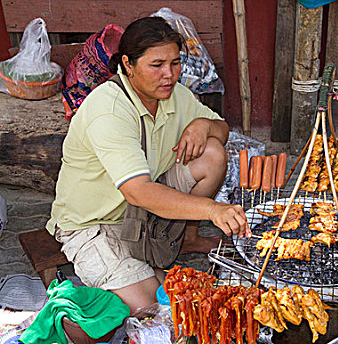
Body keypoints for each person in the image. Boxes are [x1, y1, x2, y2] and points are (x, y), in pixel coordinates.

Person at [45, 17, 250, 313]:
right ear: (128, 64)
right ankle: (140, 270)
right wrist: (212, 209)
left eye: (175, 63)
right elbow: (139, 192)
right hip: (95, 223)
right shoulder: (109, 109)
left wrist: (204, 125)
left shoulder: (174, 93)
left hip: (143, 210)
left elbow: (223, 129)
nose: (169, 74)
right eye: (156, 65)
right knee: (150, 304)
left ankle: (186, 240)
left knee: (213, 152)